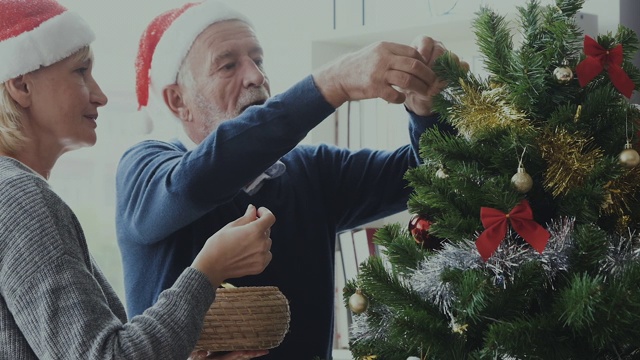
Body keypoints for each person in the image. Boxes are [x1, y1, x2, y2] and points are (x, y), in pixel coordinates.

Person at [116, 1, 463, 359]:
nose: (255, 77)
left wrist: (427, 110)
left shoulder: (312, 170)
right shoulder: (146, 170)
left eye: (258, 60)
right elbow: (198, 182)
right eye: (228, 65)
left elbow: (423, 178)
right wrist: (331, 83)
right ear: (178, 101)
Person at [0, 1, 275, 359]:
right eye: (81, 71)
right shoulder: (20, 199)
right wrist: (209, 268)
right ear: (22, 85)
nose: (99, 95)